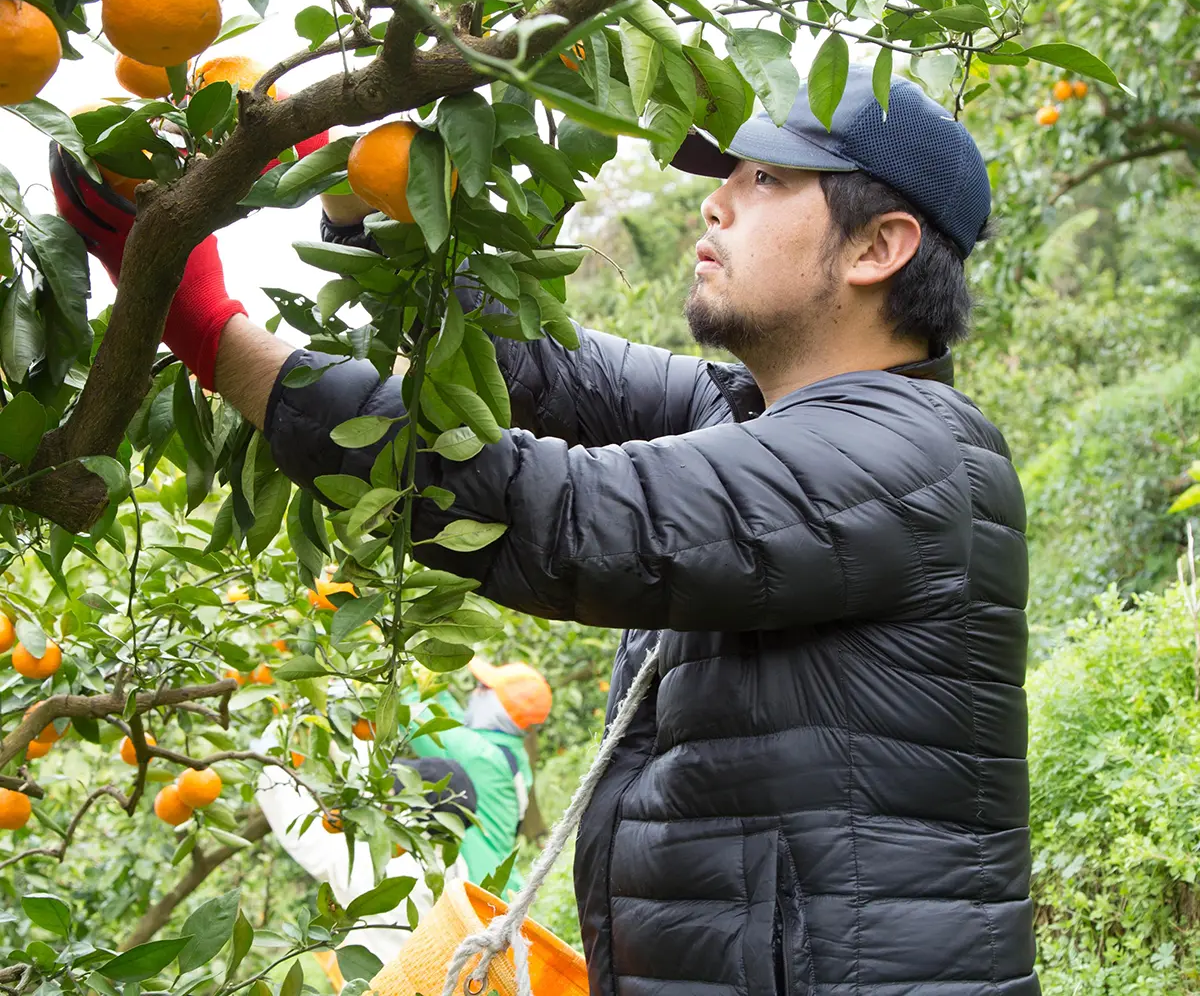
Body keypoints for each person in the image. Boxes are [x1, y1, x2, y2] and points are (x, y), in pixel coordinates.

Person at [53, 64, 1037, 994]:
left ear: (878, 247)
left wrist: (210, 332)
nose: (717, 201)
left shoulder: (911, 458)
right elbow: (537, 367)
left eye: (766, 178)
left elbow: (561, 514)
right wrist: (358, 182)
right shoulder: (742, 414)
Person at [254, 719, 474, 988]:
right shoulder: (451, 863)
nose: (385, 804)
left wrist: (270, 767)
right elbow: (373, 788)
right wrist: (336, 727)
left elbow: (308, 838)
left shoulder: (384, 869)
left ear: (411, 809)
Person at [408, 657, 552, 891]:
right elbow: (454, 724)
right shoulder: (506, 751)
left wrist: (399, 669)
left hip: (480, 894)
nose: (475, 693)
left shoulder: (481, 757)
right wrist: (437, 688)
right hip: (499, 887)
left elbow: (415, 716)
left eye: (483, 689)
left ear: (497, 709)